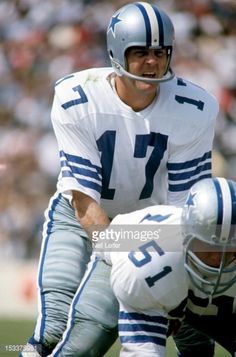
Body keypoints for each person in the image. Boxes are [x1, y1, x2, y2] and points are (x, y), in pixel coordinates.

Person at [22, 2, 219, 356]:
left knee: (193, 335)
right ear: (117, 53)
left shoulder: (194, 107)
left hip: (152, 225)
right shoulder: (77, 97)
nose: (152, 62)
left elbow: (184, 212)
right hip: (81, 216)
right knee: (54, 328)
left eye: (160, 52)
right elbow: (84, 202)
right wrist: (121, 268)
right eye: (140, 52)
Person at [70, 176, 236, 356]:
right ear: (187, 236)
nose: (218, 258)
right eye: (209, 247)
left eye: (229, 249)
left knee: (198, 351)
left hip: (189, 291)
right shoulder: (148, 265)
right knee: (85, 344)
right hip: (126, 253)